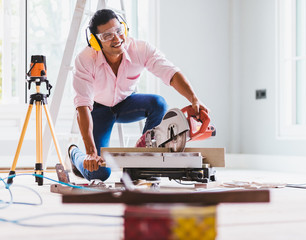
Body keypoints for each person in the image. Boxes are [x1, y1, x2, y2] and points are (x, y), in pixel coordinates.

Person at [68, 9, 207, 181]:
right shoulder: (85, 59)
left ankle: (145, 161)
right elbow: (82, 106)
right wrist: (90, 153)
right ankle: (75, 153)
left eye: (119, 31)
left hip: (126, 104)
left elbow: (170, 73)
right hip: (98, 110)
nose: (117, 39)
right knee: (99, 172)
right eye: (107, 36)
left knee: (158, 103)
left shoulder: (140, 49)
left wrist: (193, 99)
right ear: (96, 41)